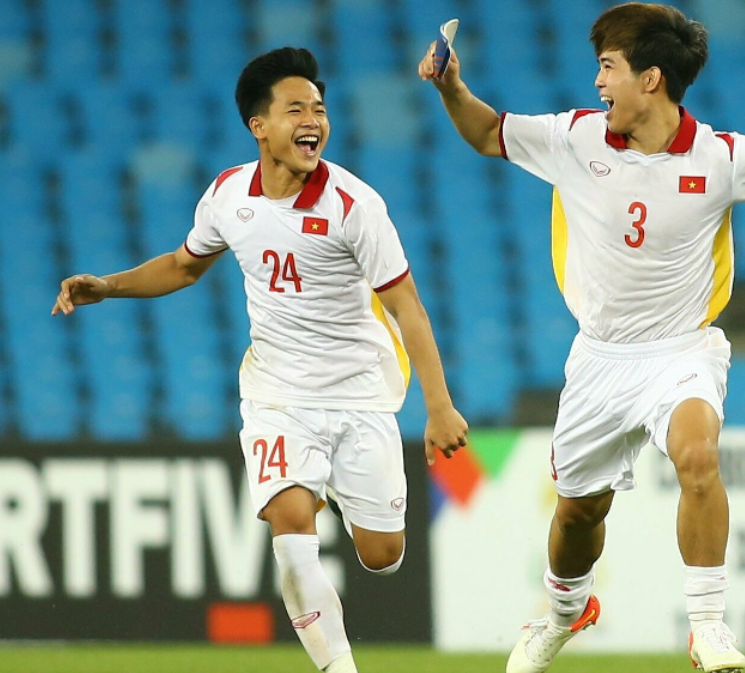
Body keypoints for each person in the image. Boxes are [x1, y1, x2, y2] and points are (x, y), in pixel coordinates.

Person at [418, 4, 745, 671]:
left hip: (682, 349)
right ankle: (564, 610)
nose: (596, 83)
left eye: (607, 68)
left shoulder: (723, 157)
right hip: (599, 360)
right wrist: (450, 88)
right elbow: (485, 133)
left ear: (651, 79)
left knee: (697, 456)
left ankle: (706, 625)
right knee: (578, 514)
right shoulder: (574, 138)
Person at [52, 47, 468, 673]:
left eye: (320, 109)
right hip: (276, 394)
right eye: (296, 108)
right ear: (260, 126)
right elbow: (184, 266)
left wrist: (438, 407)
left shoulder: (356, 206)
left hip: (360, 393)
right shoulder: (228, 195)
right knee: (292, 527)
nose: (314, 120)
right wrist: (107, 286)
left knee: (383, 555)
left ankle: (341, 498)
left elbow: (407, 307)